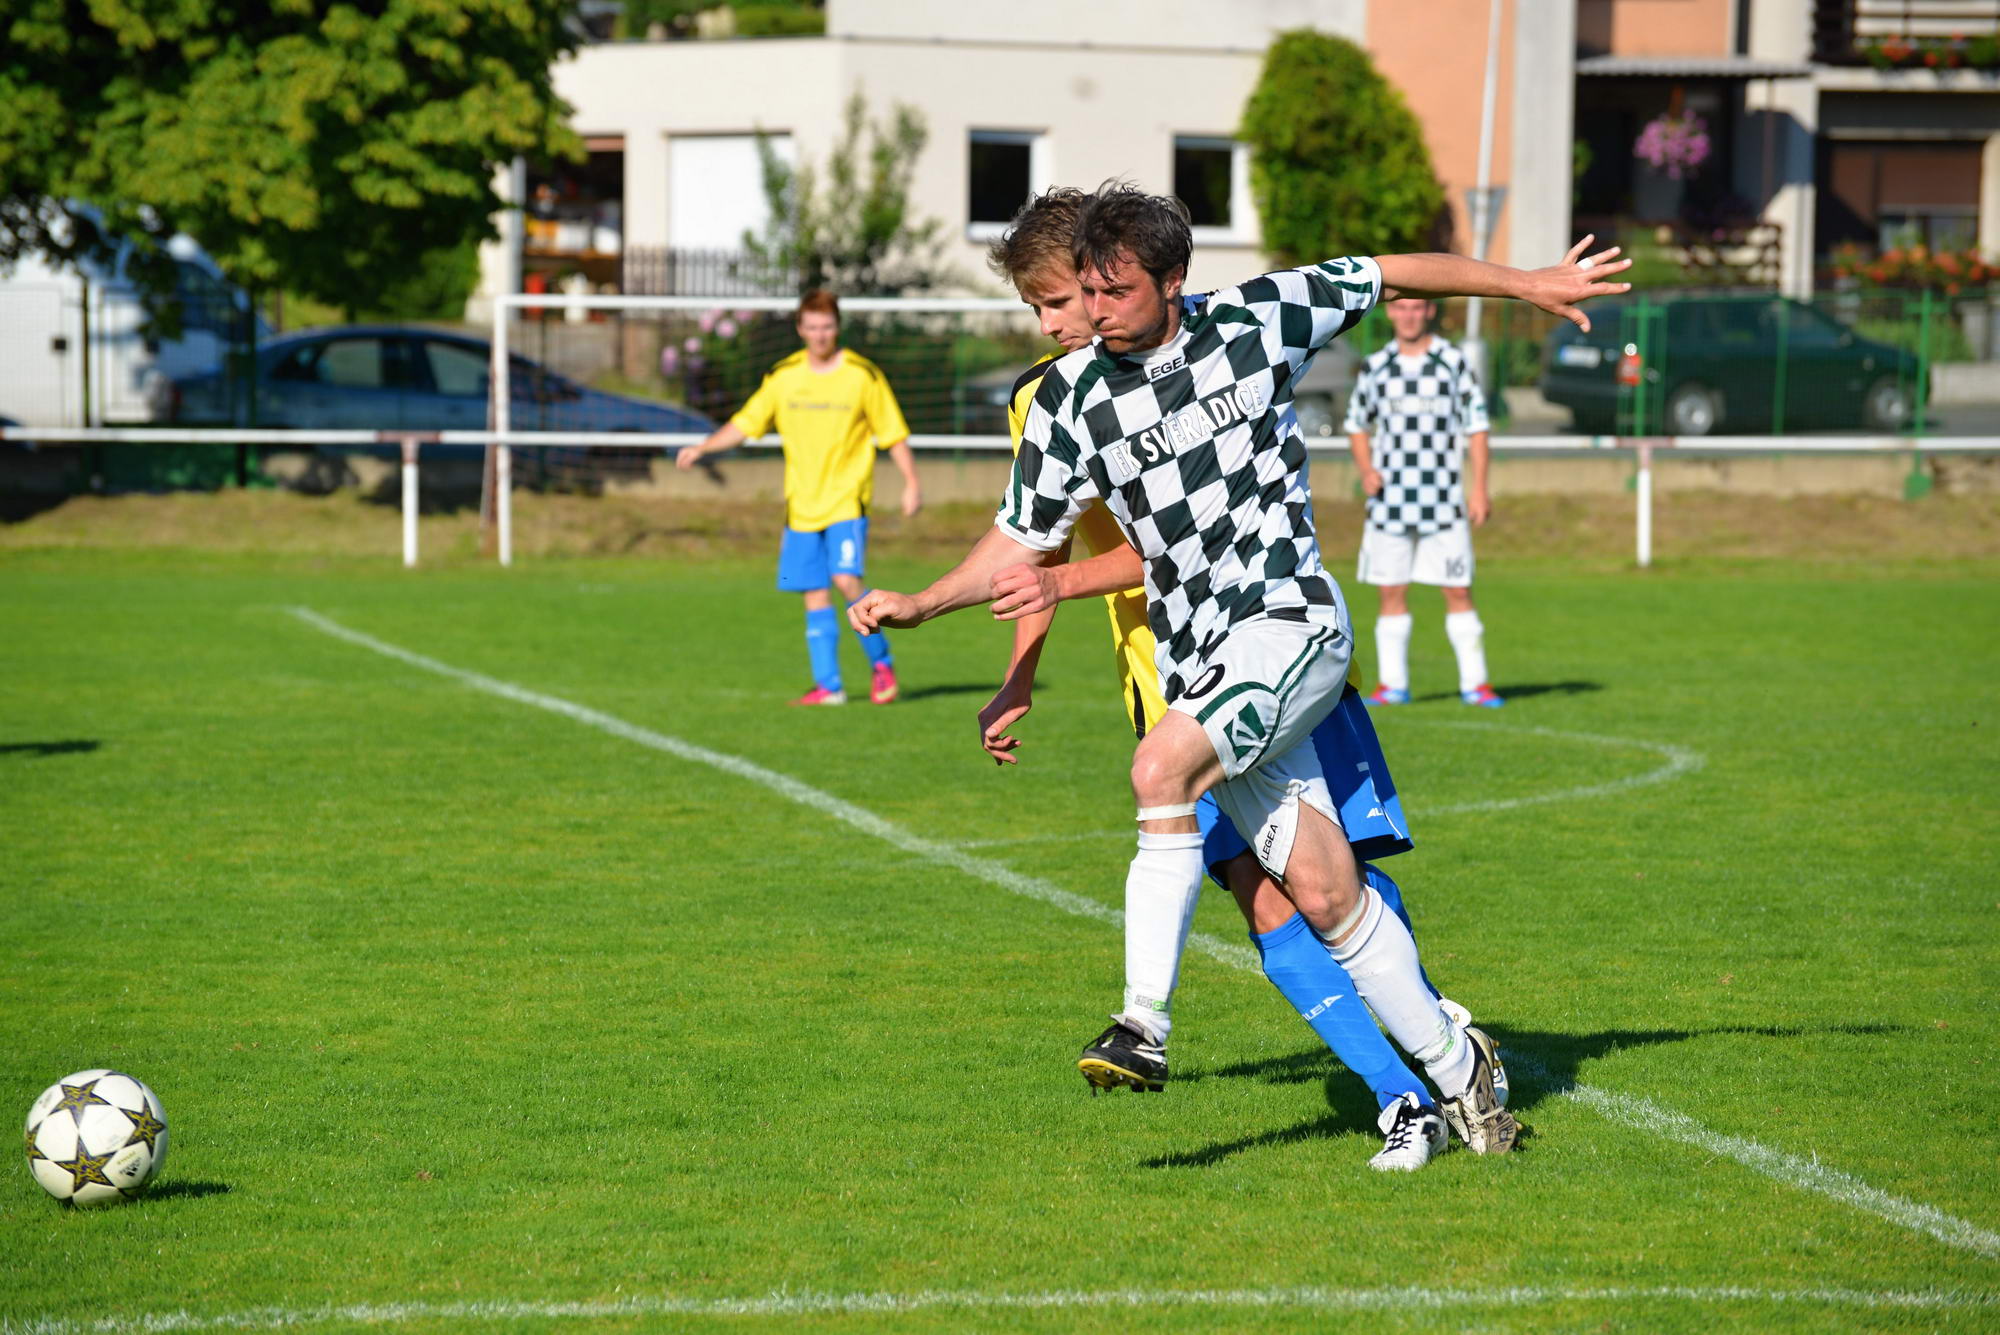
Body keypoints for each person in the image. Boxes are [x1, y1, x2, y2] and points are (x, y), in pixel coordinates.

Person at [852, 182, 1630, 1160]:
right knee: (1326, 896)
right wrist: (923, 603)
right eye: (1076, 297)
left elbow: (1388, 271)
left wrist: (1526, 282)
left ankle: (1142, 1023)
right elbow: (1020, 539)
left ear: (1172, 279)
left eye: (1106, 292)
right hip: (1195, 669)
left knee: (1158, 771)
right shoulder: (1064, 402)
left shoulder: (1256, 319)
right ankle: (1453, 1068)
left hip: (1289, 623)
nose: (1086, 314)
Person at [978, 186, 1459, 1170]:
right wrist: (1019, 673)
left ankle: (1431, 1045)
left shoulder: (1207, 343)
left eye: (1065, 298)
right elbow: (1035, 554)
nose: (1059, 320)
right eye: (1043, 306)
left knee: (1329, 883)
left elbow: (1149, 546)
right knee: (1269, 895)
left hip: (1269, 649)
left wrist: (1056, 590)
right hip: (1163, 676)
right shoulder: (1051, 400)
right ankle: (1411, 1084)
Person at [678, 290, 921, 706]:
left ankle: (881, 665)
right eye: (812, 327)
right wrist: (704, 447)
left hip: (846, 500)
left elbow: (893, 433)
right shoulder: (783, 376)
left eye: (827, 326)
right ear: (800, 329)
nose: (820, 334)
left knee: (846, 581)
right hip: (801, 505)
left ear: (837, 327)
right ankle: (829, 686)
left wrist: (911, 481)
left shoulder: (862, 375)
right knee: (812, 590)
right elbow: (745, 424)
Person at [1346, 297, 1502, 707]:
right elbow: (1357, 424)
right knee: (1391, 592)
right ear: (1390, 313)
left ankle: (1476, 684)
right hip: (1389, 504)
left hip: (1443, 503)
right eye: (1401, 308)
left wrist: (1479, 489)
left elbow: (1477, 428)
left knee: (1458, 590)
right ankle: (1393, 684)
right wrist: (1366, 469)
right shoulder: (1377, 366)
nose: (1409, 316)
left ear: (1429, 312)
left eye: (1417, 308)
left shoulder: (1452, 362)